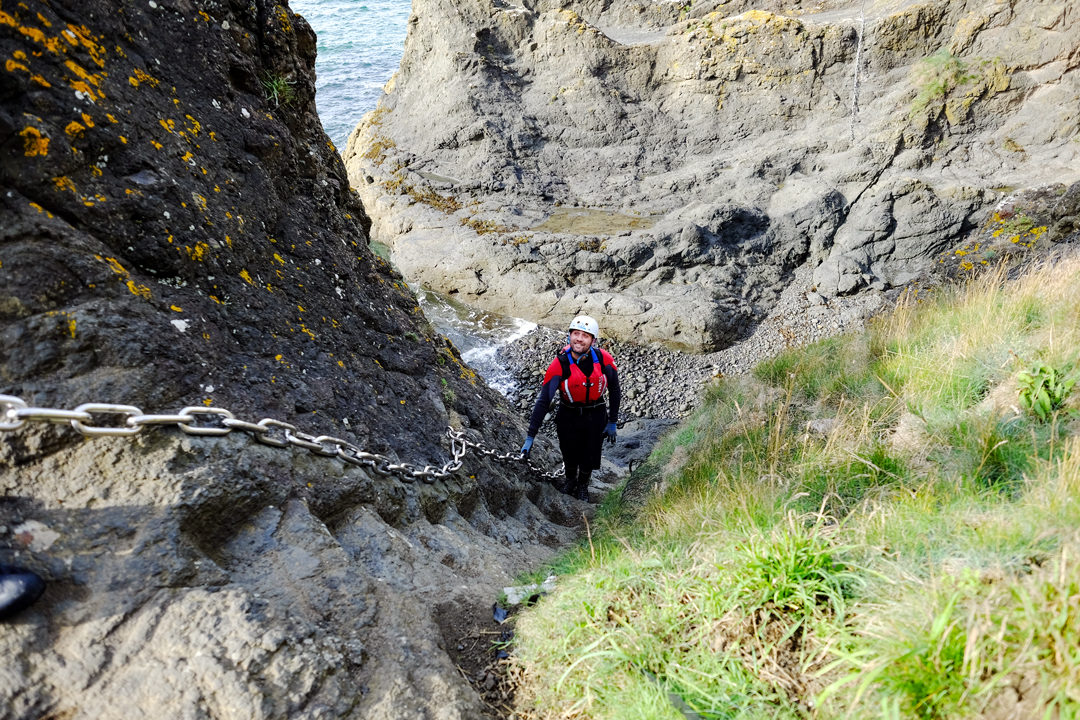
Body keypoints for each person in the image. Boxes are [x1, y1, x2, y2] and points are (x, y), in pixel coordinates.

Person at [521, 315, 620, 501]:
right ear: (569, 336)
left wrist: (612, 421)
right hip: (569, 415)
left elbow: (615, 389)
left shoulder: (603, 358)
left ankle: (583, 485)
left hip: (595, 414)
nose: (579, 339)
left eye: (585, 335)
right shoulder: (560, 364)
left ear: (593, 340)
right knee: (569, 452)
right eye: (576, 333)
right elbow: (544, 401)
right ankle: (570, 480)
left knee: (590, 454)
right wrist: (530, 436)